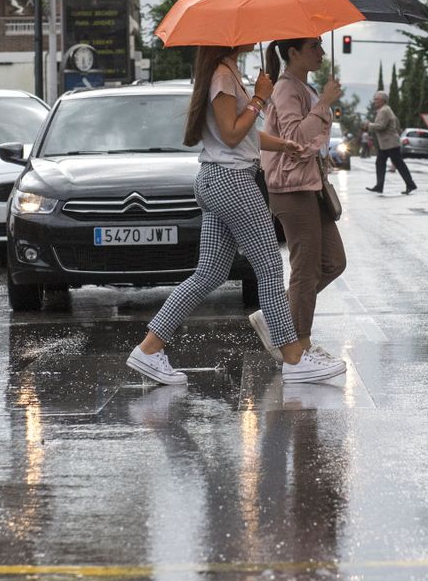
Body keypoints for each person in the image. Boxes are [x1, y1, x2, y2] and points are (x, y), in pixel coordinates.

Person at [127, 44, 346, 387]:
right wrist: (260, 98)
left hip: (217, 178)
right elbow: (231, 135)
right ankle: (293, 358)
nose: (253, 35)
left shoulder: (225, 76)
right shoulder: (223, 78)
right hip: (231, 181)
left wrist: (281, 144)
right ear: (228, 39)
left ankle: (149, 348)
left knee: (208, 274)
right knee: (271, 269)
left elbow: (242, 135)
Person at [260, 38, 348, 361]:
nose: (322, 53)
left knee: (334, 261)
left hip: (309, 185)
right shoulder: (286, 89)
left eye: (321, 46)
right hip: (291, 189)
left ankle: (276, 318)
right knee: (305, 270)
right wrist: (324, 103)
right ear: (293, 53)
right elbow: (294, 138)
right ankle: (298, 347)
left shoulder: (302, 87)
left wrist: (320, 102)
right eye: (314, 47)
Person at [364, 92, 416, 195]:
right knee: (382, 163)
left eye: (376, 99)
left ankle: (410, 184)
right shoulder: (386, 109)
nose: (374, 101)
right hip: (387, 143)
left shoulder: (384, 110)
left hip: (390, 143)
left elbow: (381, 126)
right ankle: (380, 186)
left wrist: (369, 125)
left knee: (398, 164)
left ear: (383, 100)